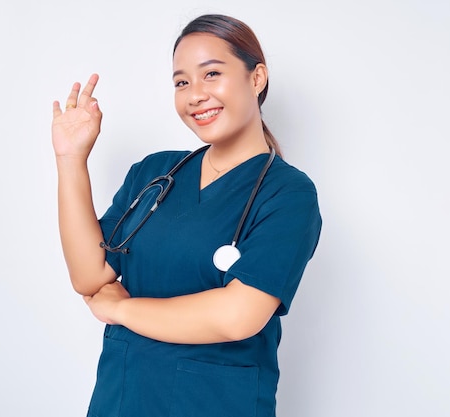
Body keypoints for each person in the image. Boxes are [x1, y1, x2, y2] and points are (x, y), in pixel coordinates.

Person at [51, 13, 322, 417]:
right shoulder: (155, 174)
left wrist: (121, 309)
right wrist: (71, 159)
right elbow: (90, 276)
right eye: (182, 82)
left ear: (256, 78)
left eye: (211, 74)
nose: (195, 94)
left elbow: (237, 316)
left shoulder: (287, 194)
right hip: (121, 400)